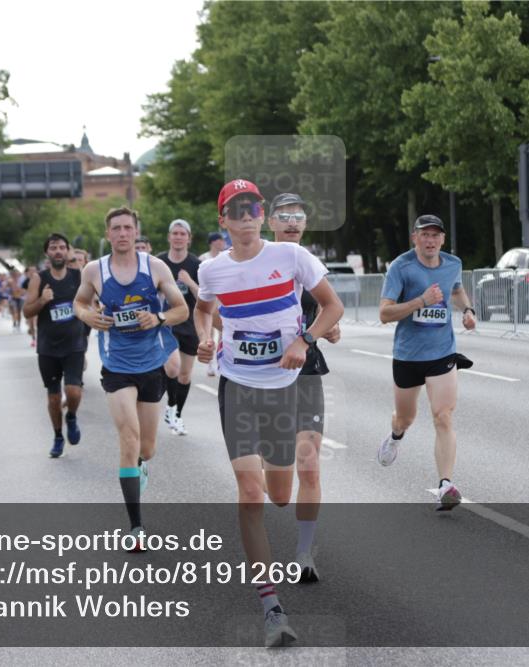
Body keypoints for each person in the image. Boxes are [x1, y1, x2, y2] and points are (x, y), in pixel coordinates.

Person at [195, 180, 344, 647]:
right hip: (237, 386)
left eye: (252, 210)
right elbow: (202, 309)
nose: (245, 218)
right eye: (235, 211)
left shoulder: (291, 256)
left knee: (280, 494)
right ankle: (272, 608)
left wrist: (304, 340)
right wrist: (205, 338)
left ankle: (261, 461)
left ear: (261, 216)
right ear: (223, 220)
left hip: (283, 388)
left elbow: (333, 305)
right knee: (250, 493)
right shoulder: (212, 269)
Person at [74, 207, 188, 549]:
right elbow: (80, 303)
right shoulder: (94, 270)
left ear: (136, 232)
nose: (122, 233)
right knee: (128, 437)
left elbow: (181, 309)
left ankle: (139, 464)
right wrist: (88, 317)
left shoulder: (155, 268)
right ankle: (136, 528)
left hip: (151, 363)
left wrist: (159, 318)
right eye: (116, 228)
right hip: (117, 365)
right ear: (108, 234)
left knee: (146, 449)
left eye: (128, 228)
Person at [376, 214, 477, 511]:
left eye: (435, 235)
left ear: (443, 239)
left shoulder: (453, 264)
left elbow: (455, 289)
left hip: (442, 353)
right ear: (415, 238)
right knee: (405, 418)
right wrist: (421, 301)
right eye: (425, 235)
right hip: (408, 355)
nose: (430, 240)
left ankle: (445, 484)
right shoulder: (401, 267)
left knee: (443, 415)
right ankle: (396, 436)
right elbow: (384, 313)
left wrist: (467, 310)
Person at [266, 193, 341, 583]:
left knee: (309, 463)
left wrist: (323, 331)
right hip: (263, 375)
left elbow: (329, 311)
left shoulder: (312, 265)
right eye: (284, 216)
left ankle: (304, 552)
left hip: (307, 371)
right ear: (271, 223)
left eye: (298, 216)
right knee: (277, 488)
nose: (292, 222)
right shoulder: (256, 263)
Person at [23, 234, 89, 458]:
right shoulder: (38, 279)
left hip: (74, 345)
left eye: (62, 247)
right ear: (47, 253)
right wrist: (42, 300)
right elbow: (26, 311)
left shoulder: (78, 276)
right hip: (48, 348)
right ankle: (58, 436)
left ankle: (71, 415)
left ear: (68, 251)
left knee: (73, 391)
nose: (58, 251)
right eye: (53, 248)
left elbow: (91, 302)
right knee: (53, 397)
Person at [156, 219, 202, 435]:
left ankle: (176, 414)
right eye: (175, 233)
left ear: (188, 239)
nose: (178, 237)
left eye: (182, 234)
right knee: (171, 367)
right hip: (166, 323)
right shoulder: (159, 263)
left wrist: (189, 281)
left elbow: (204, 298)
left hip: (189, 324)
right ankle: (171, 405)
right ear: (169, 237)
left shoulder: (196, 264)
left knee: (184, 375)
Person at [199, 232, 227, 377]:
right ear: (212, 242)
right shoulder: (203, 258)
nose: (221, 242)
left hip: (223, 300)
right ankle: (210, 363)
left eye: (222, 240)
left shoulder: (226, 257)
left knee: (224, 331)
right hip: (210, 300)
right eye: (218, 240)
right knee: (209, 332)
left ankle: (221, 360)